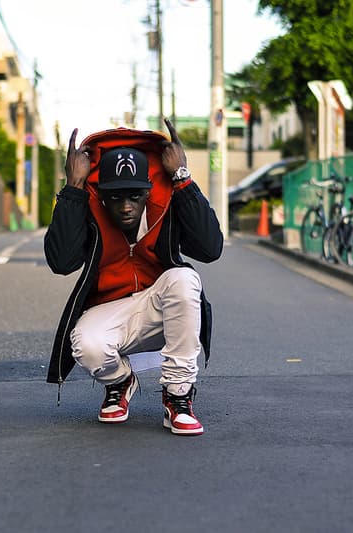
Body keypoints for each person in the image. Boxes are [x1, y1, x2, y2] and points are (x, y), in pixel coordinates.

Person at [44, 119, 223, 436]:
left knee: (184, 280)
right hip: (112, 313)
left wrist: (182, 179)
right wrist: (73, 189)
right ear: (100, 195)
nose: (126, 207)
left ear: (149, 192)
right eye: (115, 197)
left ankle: (178, 394)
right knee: (87, 345)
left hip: (161, 309)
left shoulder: (167, 205)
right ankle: (120, 381)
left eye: (135, 196)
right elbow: (61, 262)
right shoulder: (89, 210)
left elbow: (210, 249)